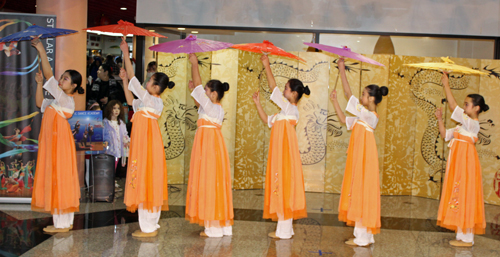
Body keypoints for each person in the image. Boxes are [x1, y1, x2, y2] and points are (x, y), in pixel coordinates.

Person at [120, 37, 174, 238]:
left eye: (149, 80)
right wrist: (124, 80)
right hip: (143, 143)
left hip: (147, 145)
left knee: (146, 177)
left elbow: (135, 80)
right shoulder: (147, 101)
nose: (146, 81)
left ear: (154, 86)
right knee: (144, 177)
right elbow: (129, 99)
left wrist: (126, 53)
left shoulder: (151, 100)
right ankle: (149, 225)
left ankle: (149, 226)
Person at [330, 58, 388, 246]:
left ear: (371, 98)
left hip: (365, 160)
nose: (361, 97)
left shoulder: (370, 116)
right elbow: (342, 119)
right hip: (359, 159)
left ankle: (363, 238)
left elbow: (348, 93)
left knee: (363, 191)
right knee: (359, 190)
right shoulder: (362, 117)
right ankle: (364, 235)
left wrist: (341, 69)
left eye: (364, 94)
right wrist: (335, 101)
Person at [30, 36, 84, 233]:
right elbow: (39, 104)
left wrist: (41, 50)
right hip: (54, 142)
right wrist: (38, 84)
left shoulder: (65, 99)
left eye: (66, 79)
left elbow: (48, 74)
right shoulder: (57, 100)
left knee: (60, 177)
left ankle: (62, 223)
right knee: (57, 177)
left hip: (59, 144)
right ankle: (63, 221)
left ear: (74, 86)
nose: (61, 80)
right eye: (62, 77)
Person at [253, 55, 309, 239]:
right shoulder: (283, 112)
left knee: (284, 185)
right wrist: (258, 104)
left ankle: (284, 231)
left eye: (286, 88)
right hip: (280, 153)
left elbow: (272, 87)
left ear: (293, 94)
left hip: (285, 154)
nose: (283, 91)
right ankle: (286, 228)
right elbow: (267, 120)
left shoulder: (290, 109)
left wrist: (266, 65)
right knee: (281, 184)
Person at [435, 72, 488, 247]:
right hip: (457, 165)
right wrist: (440, 120)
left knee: (466, 194)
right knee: (458, 194)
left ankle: (468, 237)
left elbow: (452, 105)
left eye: (467, 104)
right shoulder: (461, 126)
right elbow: (444, 135)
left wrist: (446, 85)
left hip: (466, 165)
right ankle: (461, 234)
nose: (464, 107)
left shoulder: (472, 124)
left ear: (476, 109)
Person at [185, 53, 233, 238]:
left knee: (209, 180)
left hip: (208, 145)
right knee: (213, 180)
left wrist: (194, 65)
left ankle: (213, 227)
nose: (203, 92)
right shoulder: (214, 108)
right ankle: (219, 225)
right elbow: (199, 99)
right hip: (211, 144)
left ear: (213, 93)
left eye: (206, 90)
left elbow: (198, 89)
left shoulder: (213, 107)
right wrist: (196, 91)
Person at [103, 100, 130, 193]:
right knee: (109, 167)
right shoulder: (106, 122)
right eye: (114, 108)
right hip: (110, 150)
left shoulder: (121, 123)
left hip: (119, 149)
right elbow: (104, 135)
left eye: (118, 108)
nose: (116, 110)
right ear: (110, 109)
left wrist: (127, 141)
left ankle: (112, 182)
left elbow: (125, 134)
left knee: (114, 167)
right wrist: (105, 142)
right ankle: (110, 183)